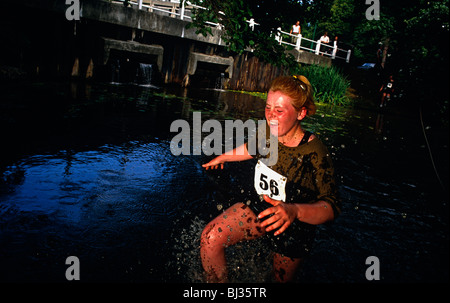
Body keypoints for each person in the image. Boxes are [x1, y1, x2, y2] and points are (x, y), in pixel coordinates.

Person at [200, 75, 341, 283]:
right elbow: (251, 148)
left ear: (300, 113)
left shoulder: (315, 151)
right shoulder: (268, 132)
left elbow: (331, 208)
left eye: (279, 111)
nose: (270, 116)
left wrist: (294, 210)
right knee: (209, 239)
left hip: (293, 227)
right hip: (259, 208)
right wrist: (224, 157)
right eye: (268, 108)